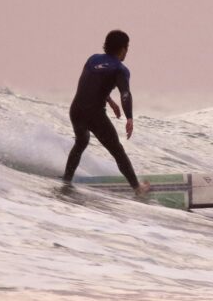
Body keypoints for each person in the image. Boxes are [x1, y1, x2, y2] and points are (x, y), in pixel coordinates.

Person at [63, 30, 151, 195]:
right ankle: (137, 188)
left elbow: (91, 85)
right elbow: (125, 93)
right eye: (127, 48)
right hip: (94, 115)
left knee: (81, 142)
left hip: (76, 110)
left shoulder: (92, 60)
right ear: (123, 49)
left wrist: (109, 101)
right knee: (117, 151)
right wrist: (129, 117)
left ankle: (66, 180)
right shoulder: (120, 69)